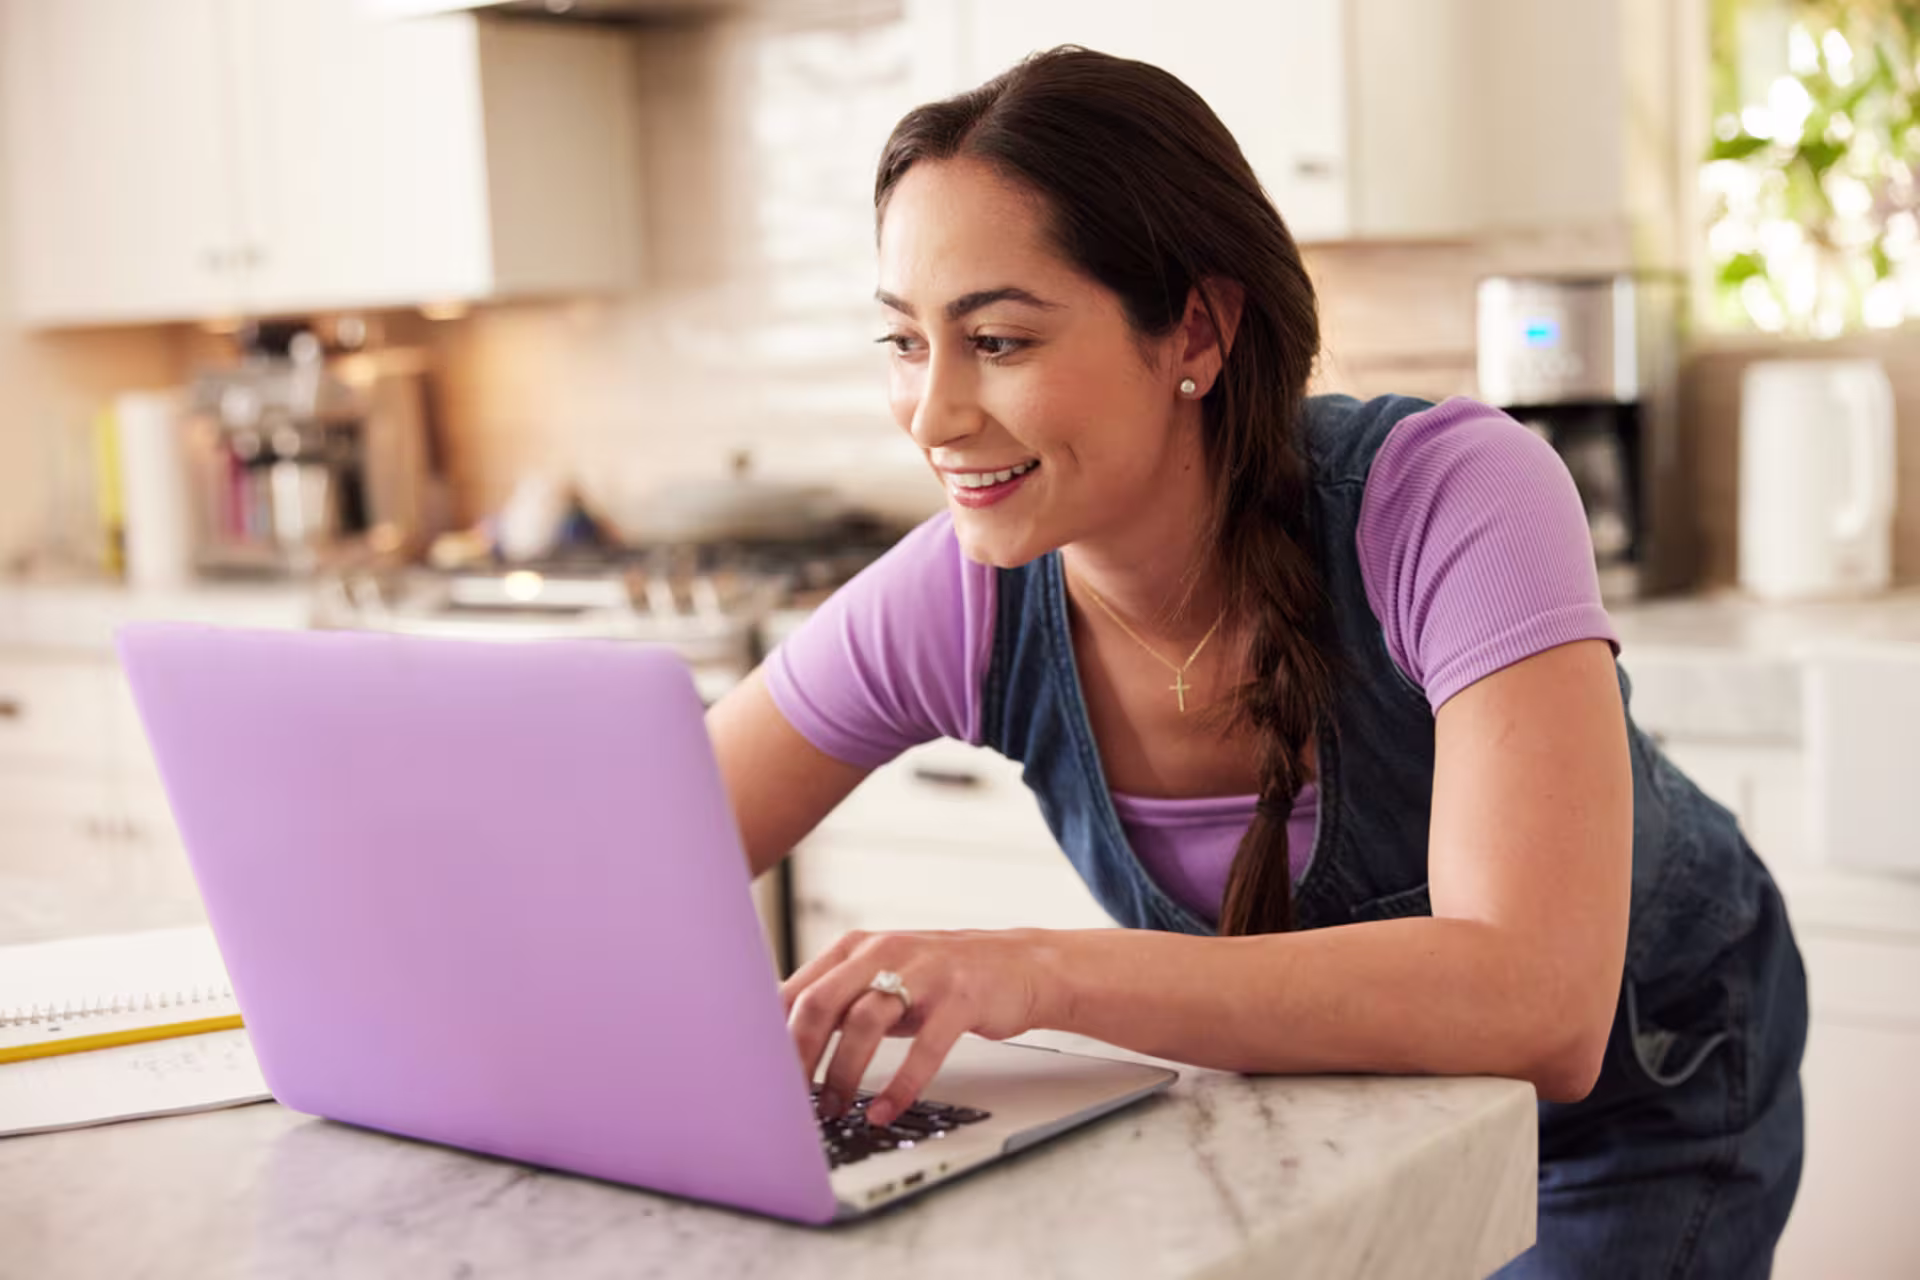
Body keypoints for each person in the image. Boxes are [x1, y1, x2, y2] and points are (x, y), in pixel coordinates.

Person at [705, 46, 1807, 1277]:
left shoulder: (1452, 499)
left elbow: (1541, 1003)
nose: (932, 412)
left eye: (1000, 341)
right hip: (1335, 1122)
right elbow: (645, 856)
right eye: (906, 343)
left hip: (1633, 1112)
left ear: (1200, 328)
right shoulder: (966, 590)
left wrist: (1033, 970)